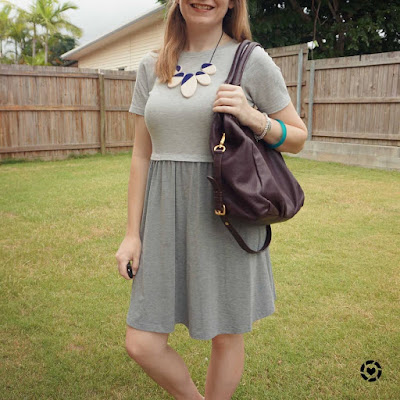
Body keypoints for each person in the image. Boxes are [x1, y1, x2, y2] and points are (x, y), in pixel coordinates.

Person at [115, 0, 307, 399]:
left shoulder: (250, 59)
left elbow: (299, 136)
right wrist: (132, 234)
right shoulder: (151, 66)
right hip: (164, 218)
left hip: (226, 213)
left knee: (226, 334)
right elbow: (140, 154)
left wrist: (255, 118)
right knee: (141, 343)